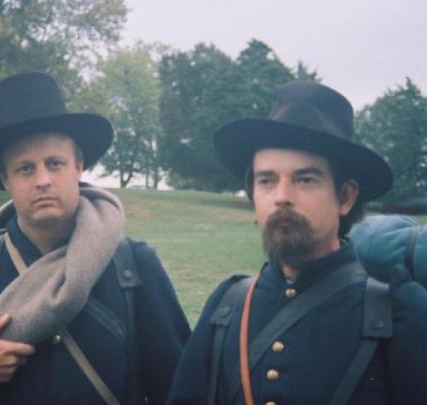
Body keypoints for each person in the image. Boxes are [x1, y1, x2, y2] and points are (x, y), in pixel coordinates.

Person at [0, 72, 190, 404]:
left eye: (55, 163)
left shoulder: (133, 265)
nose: (43, 180)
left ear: (78, 166)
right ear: (5, 178)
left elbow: (180, 387)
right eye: (25, 168)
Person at [167, 80, 427, 404]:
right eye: (267, 180)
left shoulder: (400, 310)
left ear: (345, 197)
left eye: (305, 179)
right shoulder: (227, 305)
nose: (282, 197)